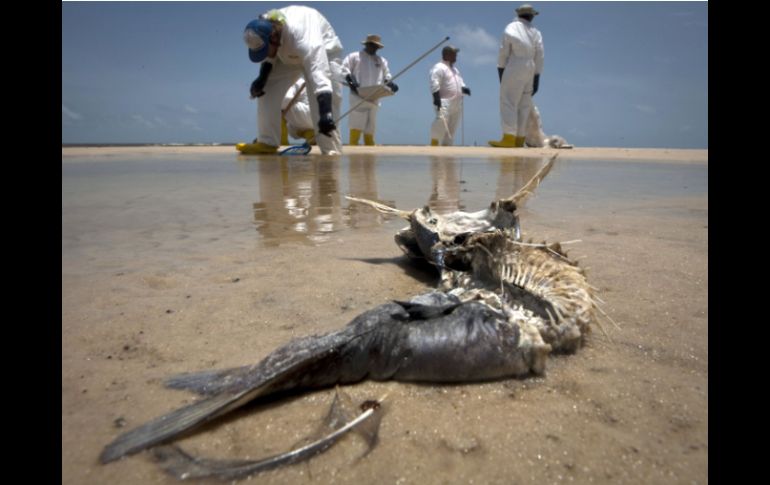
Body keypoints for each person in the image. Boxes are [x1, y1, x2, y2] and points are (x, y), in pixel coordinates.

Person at [241, 5, 344, 155]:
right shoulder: (266, 28)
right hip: (285, 54)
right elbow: (270, 56)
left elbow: (319, 75)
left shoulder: (304, 38)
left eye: (264, 50)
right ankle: (267, 142)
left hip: (325, 53)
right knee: (267, 90)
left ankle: (330, 150)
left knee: (324, 107)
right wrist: (261, 79)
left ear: (274, 38)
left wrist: (325, 114)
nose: (264, 55)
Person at [489, 4, 544, 148]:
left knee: (508, 101)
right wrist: (537, 77)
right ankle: (519, 139)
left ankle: (508, 138)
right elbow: (540, 55)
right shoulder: (536, 32)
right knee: (524, 104)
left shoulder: (511, 27)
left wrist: (501, 71)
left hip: (515, 65)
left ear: (519, 14)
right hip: (531, 68)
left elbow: (503, 53)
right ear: (531, 15)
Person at [341, 34, 399, 146]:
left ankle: (369, 154)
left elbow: (387, 74)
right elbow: (344, 68)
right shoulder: (354, 56)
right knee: (356, 123)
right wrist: (350, 79)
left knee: (370, 126)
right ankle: (353, 149)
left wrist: (390, 83)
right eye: (371, 45)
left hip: (375, 95)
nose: (374, 47)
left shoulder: (382, 60)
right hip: (358, 94)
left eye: (376, 46)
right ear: (366, 44)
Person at [429, 45, 471, 146]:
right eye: (454, 54)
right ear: (447, 55)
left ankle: (447, 147)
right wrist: (436, 97)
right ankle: (434, 142)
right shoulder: (439, 67)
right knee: (441, 123)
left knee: (452, 127)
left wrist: (464, 89)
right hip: (444, 101)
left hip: (456, 103)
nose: (456, 56)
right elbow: (434, 81)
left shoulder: (455, 70)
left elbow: (460, 82)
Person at [280, 78, 316, 145]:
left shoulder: (291, 80)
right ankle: (310, 134)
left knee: (276, 109)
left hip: (305, 111)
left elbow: (287, 99)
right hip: (316, 118)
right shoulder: (302, 81)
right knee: (292, 130)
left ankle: (281, 142)